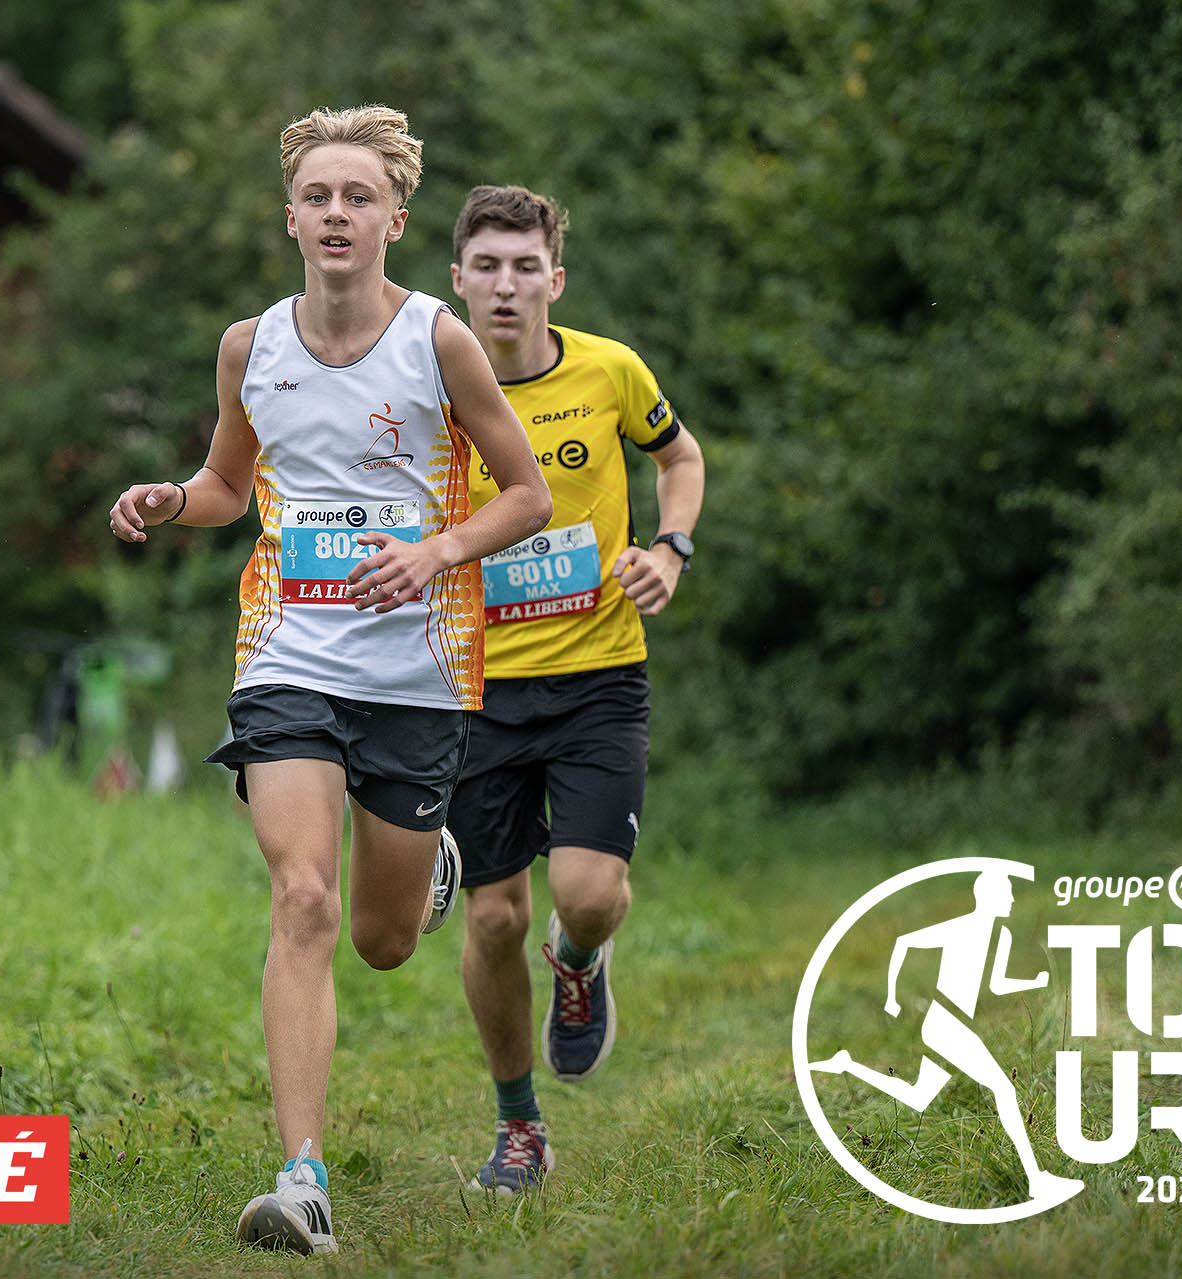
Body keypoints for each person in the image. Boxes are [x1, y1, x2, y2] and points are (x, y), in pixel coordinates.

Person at [108, 106, 551, 1256]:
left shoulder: (438, 341)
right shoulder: (249, 347)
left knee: (383, 940)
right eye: (318, 197)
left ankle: (428, 860)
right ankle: (301, 1180)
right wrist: (175, 499)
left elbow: (527, 496)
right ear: (291, 218)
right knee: (302, 896)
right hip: (287, 656)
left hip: (416, 672)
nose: (337, 213)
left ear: (395, 219)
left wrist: (437, 551)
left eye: (360, 197)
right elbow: (227, 483)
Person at [444, 185, 705, 1193]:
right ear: (458, 280)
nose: (506, 286)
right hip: (473, 689)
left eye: (525, 267)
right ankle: (520, 1127)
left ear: (555, 279)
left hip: (599, 675)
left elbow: (680, 457)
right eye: (487, 267)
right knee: (493, 920)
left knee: (587, 897)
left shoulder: (609, 369)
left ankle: (582, 960)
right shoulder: (426, 393)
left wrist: (670, 548)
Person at [809, 870, 1085, 1206]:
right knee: (1004, 1089)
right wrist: (892, 997)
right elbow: (904, 942)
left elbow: (997, 984)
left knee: (918, 1097)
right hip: (945, 1022)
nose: (1013, 899)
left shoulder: (1000, 936)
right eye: (1007, 893)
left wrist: (1033, 982)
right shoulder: (960, 927)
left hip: (953, 1024)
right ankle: (1036, 1180)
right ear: (989, 897)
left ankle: (848, 1065)